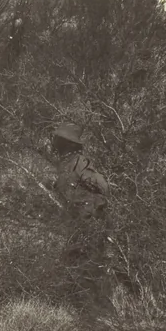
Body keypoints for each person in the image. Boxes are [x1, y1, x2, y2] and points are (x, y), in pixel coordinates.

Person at [50, 122, 110, 302]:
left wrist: (90, 202)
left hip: (89, 221)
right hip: (76, 222)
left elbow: (102, 186)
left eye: (59, 139)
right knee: (73, 264)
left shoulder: (79, 161)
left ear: (69, 143)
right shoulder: (65, 163)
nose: (55, 142)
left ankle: (98, 311)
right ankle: (81, 307)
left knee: (88, 267)